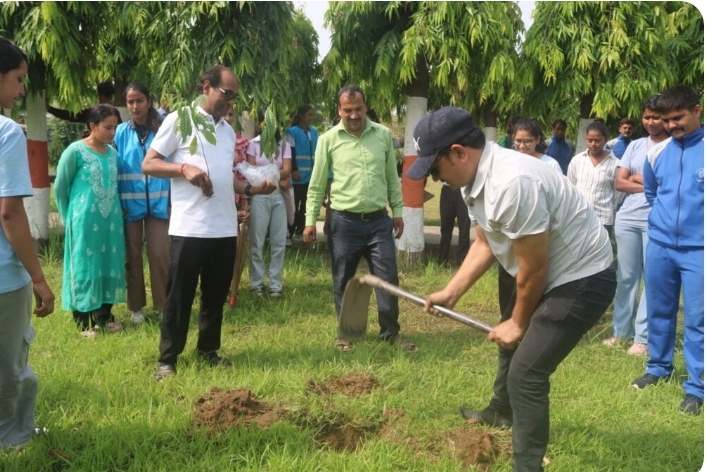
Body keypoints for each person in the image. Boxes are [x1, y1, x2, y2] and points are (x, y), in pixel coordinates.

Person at [407, 106, 616, 472]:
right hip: (551, 273)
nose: (435, 179)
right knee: (509, 344)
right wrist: (451, 292)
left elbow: (534, 269)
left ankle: (527, 467)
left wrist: (519, 322)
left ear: (459, 152)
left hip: (583, 279)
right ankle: (501, 412)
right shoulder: (476, 179)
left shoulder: (513, 181)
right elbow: (486, 242)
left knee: (527, 374)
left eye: (435, 169)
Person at [142, 65, 275, 380]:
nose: (230, 102)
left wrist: (253, 189)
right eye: (226, 94)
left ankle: (208, 350)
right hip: (190, 228)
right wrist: (184, 169)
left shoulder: (228, 132)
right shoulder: (180, 120)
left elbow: (225, 177)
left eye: (234, 98)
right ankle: (168, 359)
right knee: (179, 296)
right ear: (206, 87)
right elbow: (149, 163)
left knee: (215, 294)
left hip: (224, 228)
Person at [303, 85, 415, 352]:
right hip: (344, 223)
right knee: (343, 279)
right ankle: (348, 334)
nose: (354, 115)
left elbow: (391, 177)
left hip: (379, 222)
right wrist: (309, 220)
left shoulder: (383, 135)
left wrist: (397, 212)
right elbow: (317, 184)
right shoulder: (328, 140)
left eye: (358, 109)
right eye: (348, 110)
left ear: (366, 107)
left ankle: (390, 333)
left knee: (387, 278)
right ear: (339, 110)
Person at [632, 85, 704, 415]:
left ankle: (697, 387)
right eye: (667, 120)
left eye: (679, 118)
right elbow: (651, 193)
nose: (673, 125)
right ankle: (658, 368)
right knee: (660, 311)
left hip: (698, 250)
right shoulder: (657, 152)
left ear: (697, 111)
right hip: (660, 246)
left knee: (697, 321)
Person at [0, 36, 55, 451]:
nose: (22, 90)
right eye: (19, 79)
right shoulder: (7, 133)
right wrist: (38, 278)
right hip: (3, 277)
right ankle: (12, 439)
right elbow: (10, 212)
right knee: (9, 365)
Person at [604, 95, 670, 356]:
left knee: (651, 279)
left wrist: (638, 178)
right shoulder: (635, 146)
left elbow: (671, 184)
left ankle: (642, 338)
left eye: (656, 117)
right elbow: (619, 182)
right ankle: (620, 331)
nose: (651, 122)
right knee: (627, 277)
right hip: (627, 218)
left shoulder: (674, 146)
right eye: (647, 117)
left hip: (656, 220)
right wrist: (650, 182)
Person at [54, 104, 126, 337]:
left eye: (115, 127)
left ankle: (104, 316)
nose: (112, 132)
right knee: (85, 267)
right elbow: (61, 188)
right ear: (92, 126)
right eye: (107, 127)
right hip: (83, 220)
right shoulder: (74, 151)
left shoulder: (114, 154)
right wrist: (69, 219)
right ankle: (83, 322)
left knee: (108, 263)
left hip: (110, 221)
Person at [114, 82, 169, 324]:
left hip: (159, 204)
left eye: (139, 100)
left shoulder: (163, 129)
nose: (135, 106)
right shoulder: (120, 133)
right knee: (132, 256)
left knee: (159, 254)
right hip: (129, 205)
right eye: (130, 102)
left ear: (149, 101)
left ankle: (165, 305)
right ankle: (136, 308)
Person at [247, 108, 292, 298]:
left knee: (278, 241)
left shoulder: (284, 145)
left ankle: (275, 284)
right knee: (256, 242)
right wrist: (274, 174)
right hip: (259, 196)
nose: (271, 125)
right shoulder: (253, 145)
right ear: (260, 124)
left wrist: (266, 173)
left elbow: (287, 169)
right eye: (266, 121)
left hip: (278, 196)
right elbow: (250, 171)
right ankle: (256, 283)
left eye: (274, 121)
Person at [567, 121, 623, 238]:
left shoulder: (615, 164)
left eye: (598, 140)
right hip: (578, 217)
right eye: (590, 140)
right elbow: (570, 186)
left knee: (600, 254)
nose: (593, 144)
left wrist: (610, 206)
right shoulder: (577, 160)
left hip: (603, 218)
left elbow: (619, 192)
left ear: (605, 140)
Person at [286, 104, 318, 242]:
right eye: (309, 115)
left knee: (306, 206)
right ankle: (289, 233)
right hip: (297, 177)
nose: (311, 117)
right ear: (301, 116)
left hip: (310, 177)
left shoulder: (314, 132)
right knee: (293, 206)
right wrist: (294, 170)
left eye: (312, 115)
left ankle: (300, 232)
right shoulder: (292, 132)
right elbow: (290, 151)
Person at [47, 81, 121, 124]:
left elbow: (71, 116)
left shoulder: (93, 113)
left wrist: (50, 109)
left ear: (99, 95)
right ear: (112, 96)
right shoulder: (115, 113)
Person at [437, 182, 471, 266]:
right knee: (445, 228)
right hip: (447, 188)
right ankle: (442, 259)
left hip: (463, 189)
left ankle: (462, 261)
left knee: (464, 228)